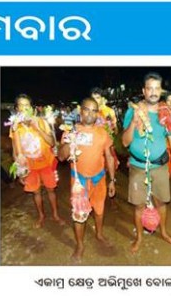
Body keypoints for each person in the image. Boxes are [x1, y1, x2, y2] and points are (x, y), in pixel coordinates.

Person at [58, 98, 116, 262]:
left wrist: (112, 180)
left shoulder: (102, 132)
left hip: (99, 180)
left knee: (99, 210)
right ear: (80, 111)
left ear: (97, 113)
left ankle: (99, 233)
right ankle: (80, 245)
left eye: (94, 110)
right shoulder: (70, 131)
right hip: (79, 182)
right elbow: (61, 157)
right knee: (79, 215)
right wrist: (70, 142)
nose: (90, 113)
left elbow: (110, 157)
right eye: (87, 109)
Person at [122, 72, 171, 253]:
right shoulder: (133, 111)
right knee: (139, 205)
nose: (153, 92)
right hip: (138, 166)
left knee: (161, 203)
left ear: (161, 91)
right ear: (144, 91)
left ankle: (164, 232)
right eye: (149, 88)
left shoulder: (166, 112)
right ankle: (139, 237)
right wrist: (134, 122)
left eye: (157, 88)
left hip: (159, 166)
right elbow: (125, 142)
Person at [10, 94, 65, 228]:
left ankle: (55, 215)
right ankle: (41, 216)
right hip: (30, 166)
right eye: (21, 106)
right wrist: (19, 170)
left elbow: (52, 142)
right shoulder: (15, 127)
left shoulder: (41, 122)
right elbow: (14, 150)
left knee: (51, 190)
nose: (24, 108)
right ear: (17, 109)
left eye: (27, 105)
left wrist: (37, 127)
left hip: (47, 163)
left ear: (31, 108)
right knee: (36, 192)